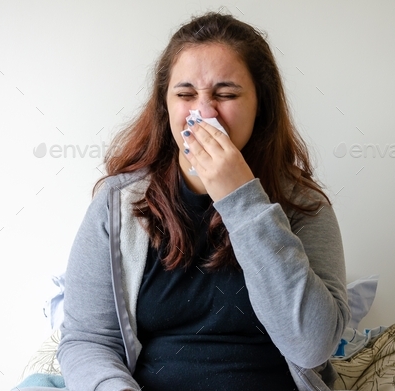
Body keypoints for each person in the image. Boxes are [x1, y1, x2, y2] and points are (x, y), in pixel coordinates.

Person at [57, 11, 350, 391]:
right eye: (185, 94)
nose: (205, 112)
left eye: (226, 94)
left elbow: (312, 346)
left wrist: (240, 198)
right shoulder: (118, 206)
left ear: (261, 105)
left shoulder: (304, 207)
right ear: (165, 106)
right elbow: (87, 341)